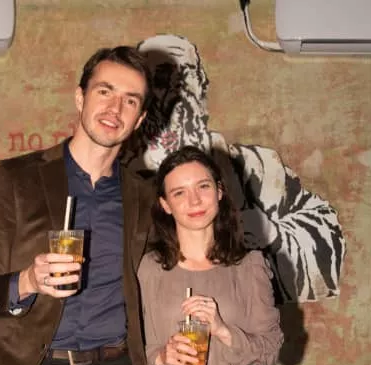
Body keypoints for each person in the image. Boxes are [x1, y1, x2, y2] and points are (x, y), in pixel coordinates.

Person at [0, 46, 156, 365]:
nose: (115, 108)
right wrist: (28, 281)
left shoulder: (143, 195)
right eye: (105, 91)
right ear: (80, 98)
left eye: (130, 100)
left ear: (139, 119)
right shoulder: (16, 178)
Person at [129, 34, 346, 304]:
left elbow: (323, 233)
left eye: (187, 77)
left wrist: (272, 232)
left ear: (202, 88)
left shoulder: (256, 167)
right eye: (162, 79)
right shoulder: (120, 181)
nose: (176, 92)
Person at [138, 145, 284, 365]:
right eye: (179, 192)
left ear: (219, 191)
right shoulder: (149, 268)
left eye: (203, 186)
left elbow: (269, 353)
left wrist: (223, 330)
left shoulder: (250, 266)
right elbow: (136, 351)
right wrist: (163, 356)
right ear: (165, 205)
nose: (194, 200)